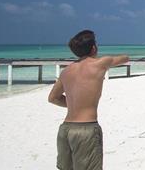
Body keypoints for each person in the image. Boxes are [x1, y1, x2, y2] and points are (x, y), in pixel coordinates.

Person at [48, 30, 129, 170]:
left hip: (65, 129)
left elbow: (53, 98)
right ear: (93, 48)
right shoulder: (100, 63)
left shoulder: (66, 71)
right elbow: (125, 58)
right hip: (86, 129)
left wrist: (75, 104)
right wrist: (125, 56)